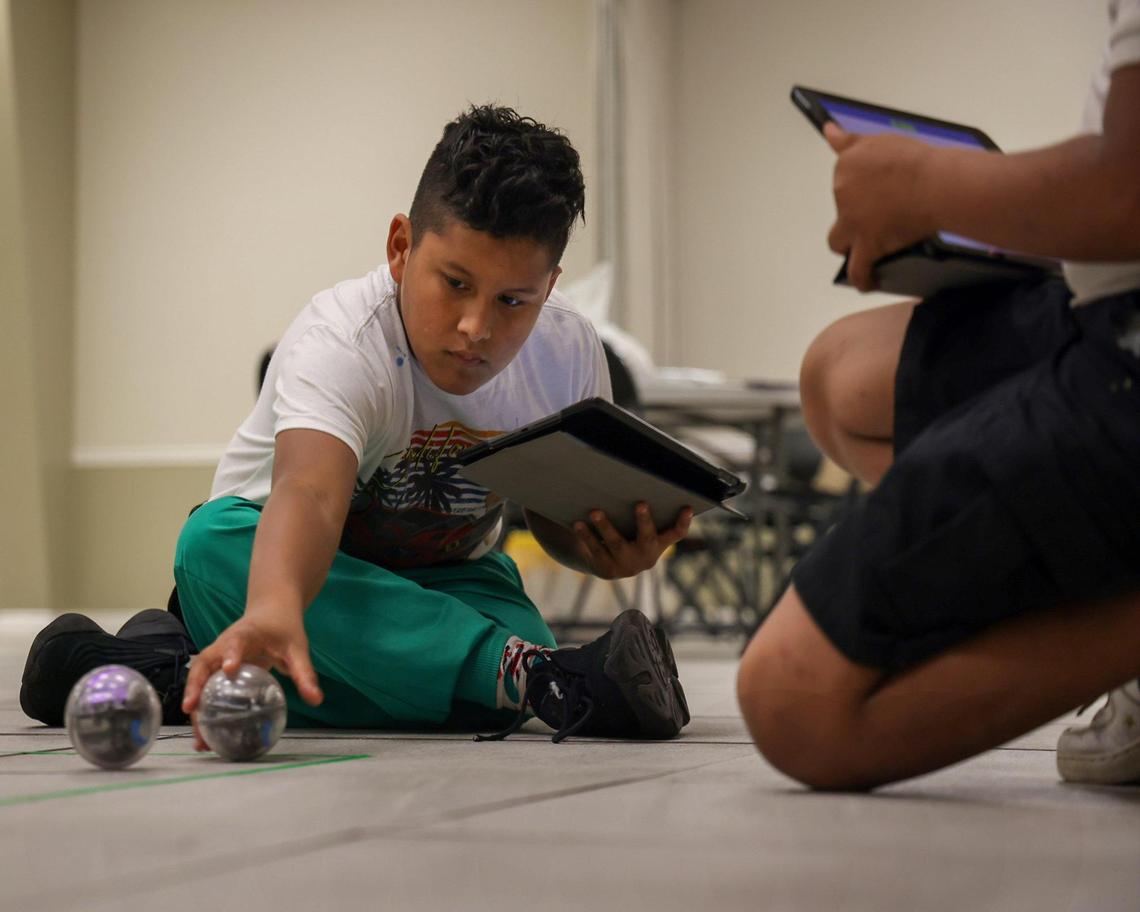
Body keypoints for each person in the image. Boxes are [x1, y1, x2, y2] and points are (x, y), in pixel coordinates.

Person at [21, 105, 692, 745]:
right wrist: (277, 605)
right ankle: (524, 676)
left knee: (504, 636)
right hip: (282, 568)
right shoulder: (341, 339)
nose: (475, 328)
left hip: (448, 580)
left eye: (512, 300)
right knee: (208, 543)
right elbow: (310, 496)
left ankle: (171, 670)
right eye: (454, 283)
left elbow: (554, 516)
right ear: (401, 247)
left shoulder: (569, 349)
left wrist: (600, 547)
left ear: (549, 288)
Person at [737, 0, 1140, 790]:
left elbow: (1128, 190)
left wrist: (929, 184)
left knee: (793, 703)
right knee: (843, 376)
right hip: (1103, 305)